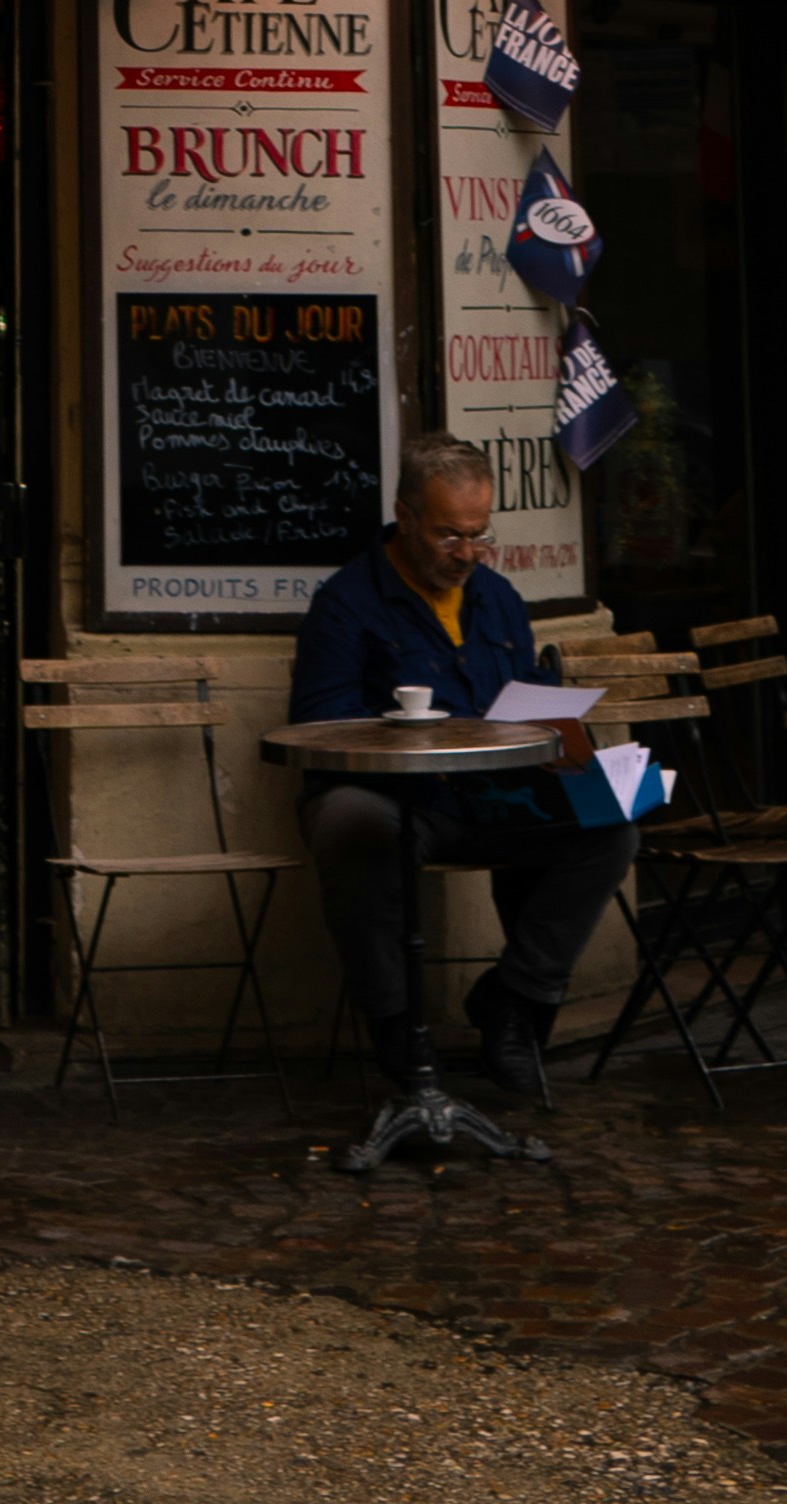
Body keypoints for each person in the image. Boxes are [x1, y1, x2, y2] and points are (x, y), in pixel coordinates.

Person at [288, 435, 639, 1118]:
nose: (468, 553)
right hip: (401, 797)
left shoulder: (498, 596)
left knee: (611, 825)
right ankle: (397, 1027)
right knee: (351, 823)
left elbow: (528, 692)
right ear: (405, 516)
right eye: (449, 535)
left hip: (495, 794)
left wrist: (557, 732)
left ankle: (516, 1001)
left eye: (480, 535)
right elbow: (319, 730)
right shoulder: (347, 603)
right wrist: (418, 737)